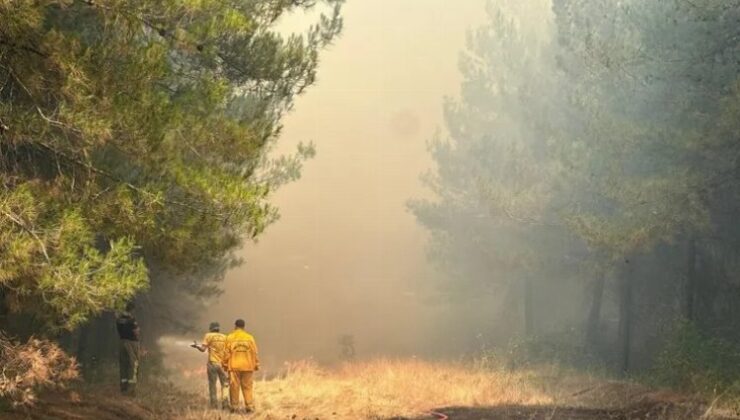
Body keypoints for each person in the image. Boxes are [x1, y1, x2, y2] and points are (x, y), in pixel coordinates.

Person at [222, 319, 259, 413]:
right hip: (247, 366)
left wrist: (225, 364)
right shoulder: (250, 337)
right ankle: (249, 406)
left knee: (234, 386)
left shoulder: (230, 337)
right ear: (244, 327)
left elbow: (226, 353)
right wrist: (256, 364)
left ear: (235, 326)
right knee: (247, 387)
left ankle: (234, 407)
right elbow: (254, 352)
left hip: (234, 366)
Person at [192, 322, 229, 409]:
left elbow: (203, 349)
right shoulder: (225, 337)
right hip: (223, 364)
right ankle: (225, 404)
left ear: (211, 328)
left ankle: (214, 405)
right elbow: (228, 351)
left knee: (212, 385)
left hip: (212, 363)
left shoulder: (208, 335)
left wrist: (196, 346)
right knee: (225, 385)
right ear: (218, 328)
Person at [115, 302, 140, 396]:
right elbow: (136, 332)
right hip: (132, 343)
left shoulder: (119, 319)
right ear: (132, 309)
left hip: (122, 342)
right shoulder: (132, 320)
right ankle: (131, 389)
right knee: (133, 364)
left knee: (123, 364)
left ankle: (123, 387)